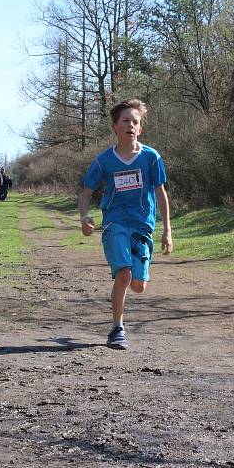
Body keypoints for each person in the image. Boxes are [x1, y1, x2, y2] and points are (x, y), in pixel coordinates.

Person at [78, 98, 173, 350]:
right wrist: (84, 217)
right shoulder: (104, 161)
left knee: (138, 286)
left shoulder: (151, 158)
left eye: (135, 122)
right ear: (115, 127)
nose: (131, 125)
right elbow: (86, 192)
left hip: (142, 226)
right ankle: (117, 329)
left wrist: (167, 231)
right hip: (115, 223)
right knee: (124, 273)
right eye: (125, 120)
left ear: (140, 129)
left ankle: (124, 298)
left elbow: (161, 193)